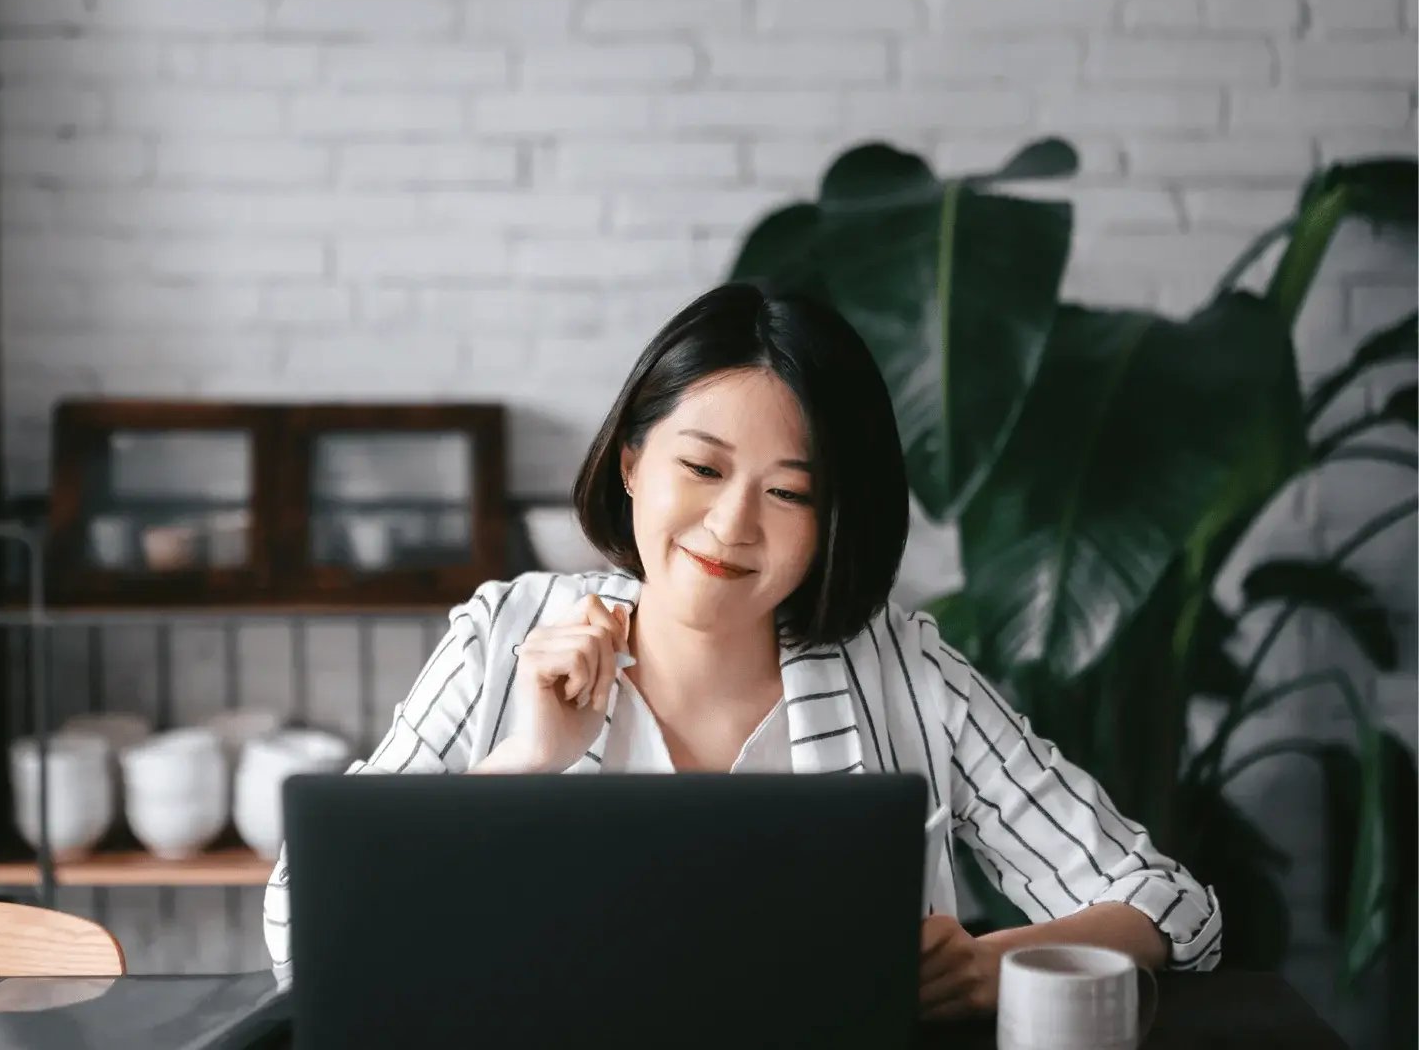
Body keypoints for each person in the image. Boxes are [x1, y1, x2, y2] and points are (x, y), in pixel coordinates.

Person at [262, 283, 1222, 1018]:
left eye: (790, 493)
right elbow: (308, 928)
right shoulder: (503, 637)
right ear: (632, 461)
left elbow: (1171, 906)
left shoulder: (903, 670)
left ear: (833, 520)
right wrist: (524, 763)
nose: (732, 526)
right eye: (702, 467)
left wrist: (988, 962)